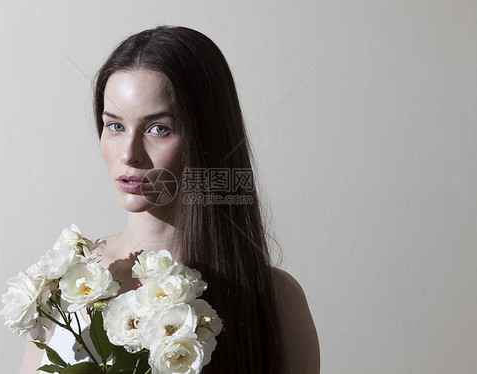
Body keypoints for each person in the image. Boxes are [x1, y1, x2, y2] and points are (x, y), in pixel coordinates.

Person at [19, 25, 319, 374]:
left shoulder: (272, 299)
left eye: (158, 128)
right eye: (114, 125)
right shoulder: (68, 282)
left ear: (206, 138)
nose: (129, 154)